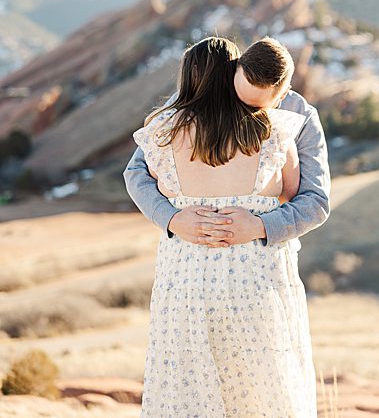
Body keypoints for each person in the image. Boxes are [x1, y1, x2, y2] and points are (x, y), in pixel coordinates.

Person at [129, 36, 316, 417]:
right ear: (234, 74)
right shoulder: (275, 130)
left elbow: (146, 176)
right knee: (260, 387)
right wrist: (252, 209)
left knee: (186, 385)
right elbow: (294, 192)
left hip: (186, 276)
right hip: (254, 276)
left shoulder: (164, 131)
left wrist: (186, 210)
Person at [124, 36, 330, 249]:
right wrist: (171, 218)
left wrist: (260, 226)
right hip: (189, 256)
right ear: (236, 67)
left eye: (255, 107)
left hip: (261, 258)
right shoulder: (198, 97)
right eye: (239, 97)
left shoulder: (299, 114)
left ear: (281, 96)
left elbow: (315, 201)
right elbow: (137, 171)